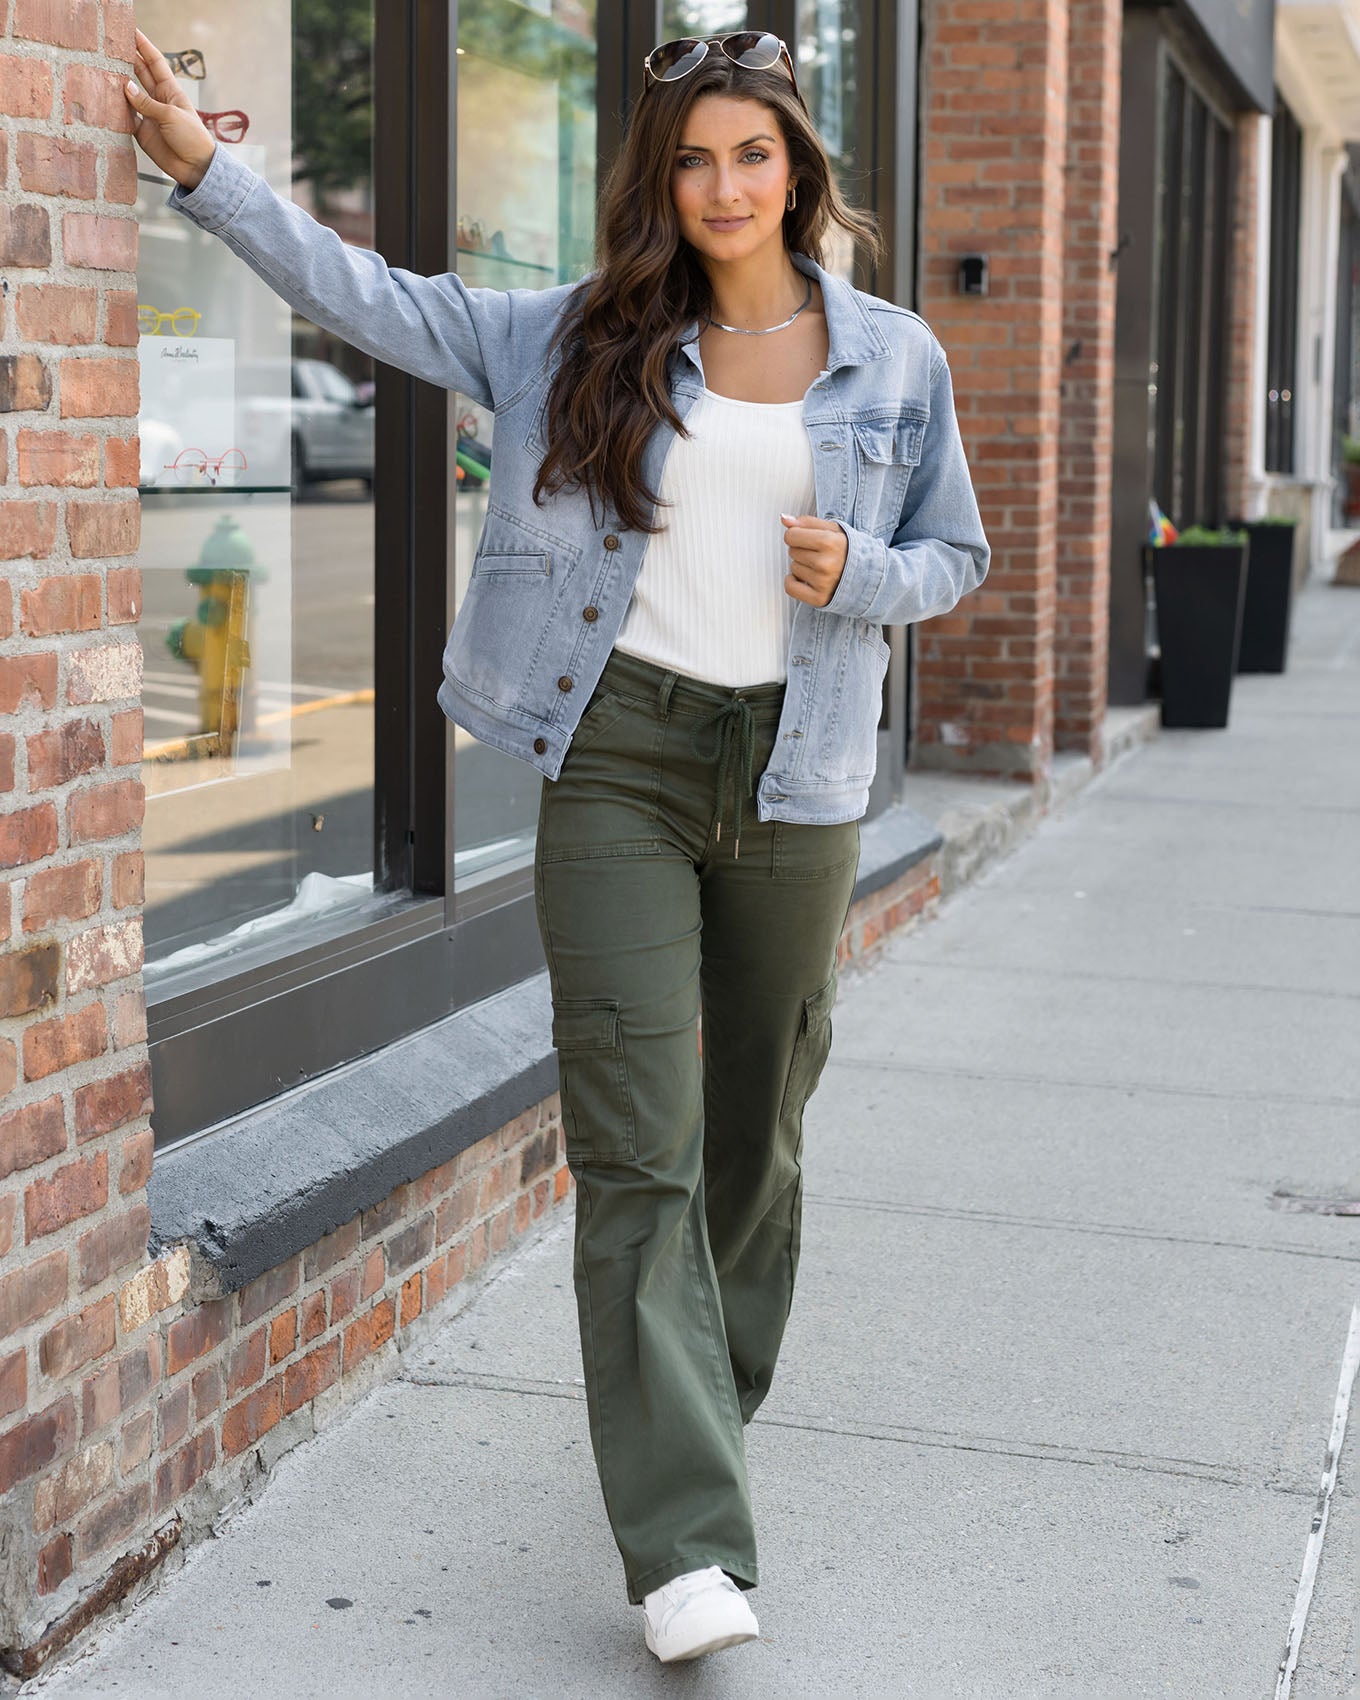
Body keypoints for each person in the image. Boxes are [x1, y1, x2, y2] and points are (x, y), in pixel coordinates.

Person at [126, 26, 989, 1665]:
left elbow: (954, 550)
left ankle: (698, 1405)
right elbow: (364, 291)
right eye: (693, 159)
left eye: (753, 155)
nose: (725, 186)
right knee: (637, 1142)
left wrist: (862, 579)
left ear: (798, 169)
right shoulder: (570, 337)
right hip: (619, 761)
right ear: (656, 181)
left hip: (796, 776)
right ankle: (682, 1541)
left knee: (757, 1129)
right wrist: (200, 170)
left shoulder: (896, 360)